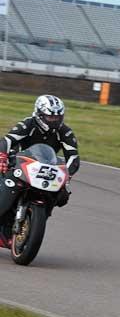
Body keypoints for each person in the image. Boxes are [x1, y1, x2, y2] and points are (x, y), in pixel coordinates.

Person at [0, 95, 79, 247]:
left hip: (45, 169)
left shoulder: (65, 132)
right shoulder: (28, 124)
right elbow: (6, 141)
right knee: (6, 183)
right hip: (18, 163)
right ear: (39, 114)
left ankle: (32, 225)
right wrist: (2, 156)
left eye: (58, 117)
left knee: (62, 195)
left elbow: (73, 158)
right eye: (50, 116)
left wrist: (67, 174)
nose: (54, 120)